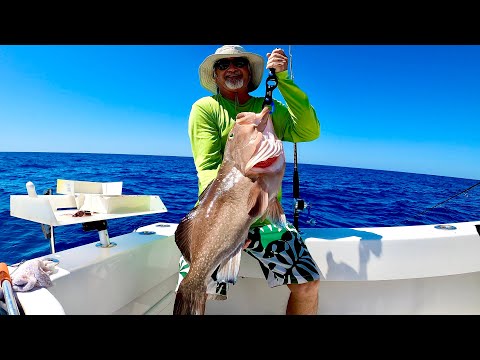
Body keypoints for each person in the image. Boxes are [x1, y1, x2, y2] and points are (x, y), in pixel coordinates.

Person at [177, 45, 321, 315]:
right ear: (216, 76)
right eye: (222, 65)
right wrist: (231, 225)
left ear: (249, 70)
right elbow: (208, 168)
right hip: (219, 218)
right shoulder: (206, 108)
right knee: (195, 284)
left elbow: (308, 131)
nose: (231, 68)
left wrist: (285, 80)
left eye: (239, 62)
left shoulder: (265, 109)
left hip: (267, 219)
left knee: (308, 283)